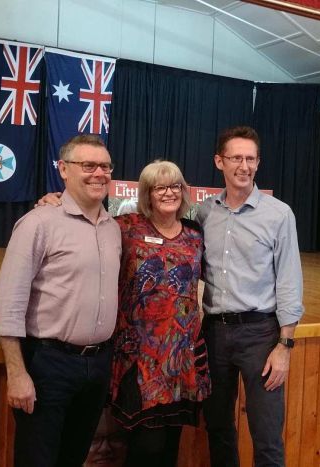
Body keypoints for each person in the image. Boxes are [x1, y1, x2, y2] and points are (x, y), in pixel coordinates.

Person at [39, 160, 211, 467]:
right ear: (147, 193)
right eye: (160, 187)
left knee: (171, 444)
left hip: (180, 356)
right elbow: (84, 221)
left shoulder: (196, 235)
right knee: (147, 447)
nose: (168, 193)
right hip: (139, 358)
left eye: (175, 186)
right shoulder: (125, 227)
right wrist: (54, 200)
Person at [0, 134, 122, 467]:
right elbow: (7, 303)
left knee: (73, 459)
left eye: (105, 166)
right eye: (88, 165)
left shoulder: (113, 228)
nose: (99, 173)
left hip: (98, 366)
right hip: (49, 365)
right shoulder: (39, 223)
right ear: (64, 169)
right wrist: (17, 373)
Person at [197, 126, 304, 467]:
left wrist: (285, 346)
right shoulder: (203, 214)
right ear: (219, 162)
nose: (243, 166)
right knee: (218, 428)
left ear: (258, 163)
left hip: (260, 335)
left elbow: (289, 280)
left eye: (250, 159)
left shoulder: (278, 214)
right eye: (236, 158)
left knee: (267, 435)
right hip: (213, 334)